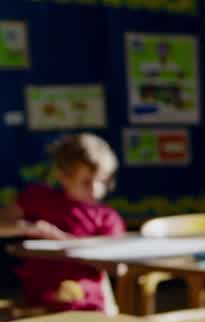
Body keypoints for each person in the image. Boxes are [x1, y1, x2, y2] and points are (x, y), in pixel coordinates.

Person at [2, 133, 125, 312]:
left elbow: (117, 267)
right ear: (62, 176)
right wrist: (29, 227)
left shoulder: (107, 217)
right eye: (86, 182)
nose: (96, 189)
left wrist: (64, 242)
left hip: (89, 304)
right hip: (39, 302)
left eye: (102, 181)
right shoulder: (38, 198)